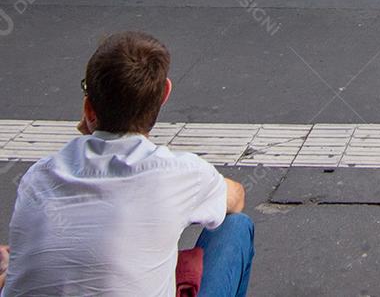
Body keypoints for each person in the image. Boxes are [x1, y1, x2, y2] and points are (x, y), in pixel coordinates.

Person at [0, 31, 254, 296]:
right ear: (164, 92)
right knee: (235, 227)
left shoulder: (38, 177)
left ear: (89, 109)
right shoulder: (181, 173)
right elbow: (236, 198)